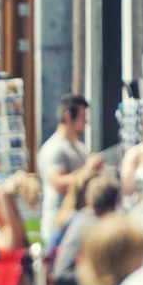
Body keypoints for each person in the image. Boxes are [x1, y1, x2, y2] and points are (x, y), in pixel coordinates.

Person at [37, 93, 101, 238]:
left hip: (78, 223)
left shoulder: (80, 147)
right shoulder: (53, 148)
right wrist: (88, 171)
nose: (86, 121)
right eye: (82, 116)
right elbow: (58, 183)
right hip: (58, 226)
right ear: (68, 116)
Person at [49, 176, 117, 285]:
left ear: (87, 199)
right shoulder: (100, 226)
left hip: (58, 283)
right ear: (115, 205)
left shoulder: (74, 218)